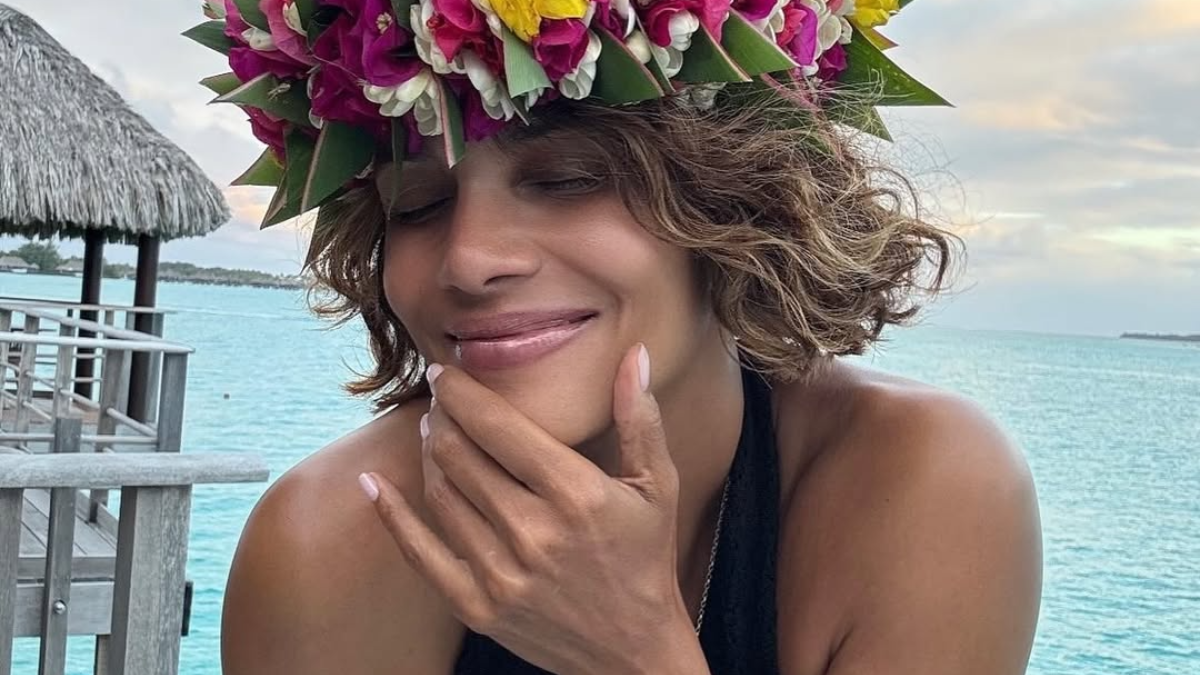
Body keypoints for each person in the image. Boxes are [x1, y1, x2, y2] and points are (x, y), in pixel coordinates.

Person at [197, 0, 1043, 673]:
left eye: (568, 178)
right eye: (415, 205)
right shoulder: (329, 546)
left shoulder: (923, 492)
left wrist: (636, 653)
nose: (469, 258)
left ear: (743, 197)